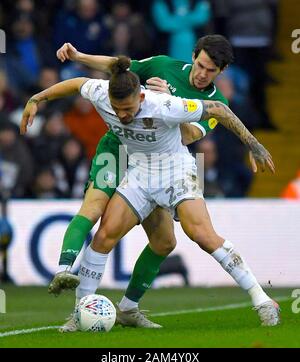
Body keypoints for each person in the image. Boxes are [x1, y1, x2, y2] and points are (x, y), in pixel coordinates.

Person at [20, 56, 279, 332]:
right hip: (140, 173)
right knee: (105, 236)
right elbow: (75, 84)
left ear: (141, 97)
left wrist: (254, 144)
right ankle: (80, 312)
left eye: (129, 109)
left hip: (175, 171)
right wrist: (37, 98)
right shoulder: (102, 93)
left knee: (202, 235)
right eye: (117, 110)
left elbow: (218, 109)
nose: (122, 116)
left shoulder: (164, 104)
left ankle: (261, 299)